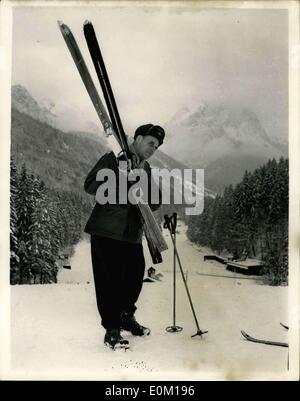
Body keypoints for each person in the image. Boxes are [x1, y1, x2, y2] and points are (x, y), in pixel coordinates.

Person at [84, 124, 165, 350]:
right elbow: (90, 185)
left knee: (133, 278)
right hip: (106, 230)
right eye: (150, 143)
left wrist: (141, 182)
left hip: (132, 234)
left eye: (156, 147)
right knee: (108, 282)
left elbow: (155, 201)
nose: (152, 149)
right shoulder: (112, 158)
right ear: (137, 139)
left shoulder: (145, 167)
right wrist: (120, 179)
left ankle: (125, 316)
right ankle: (112, 329)